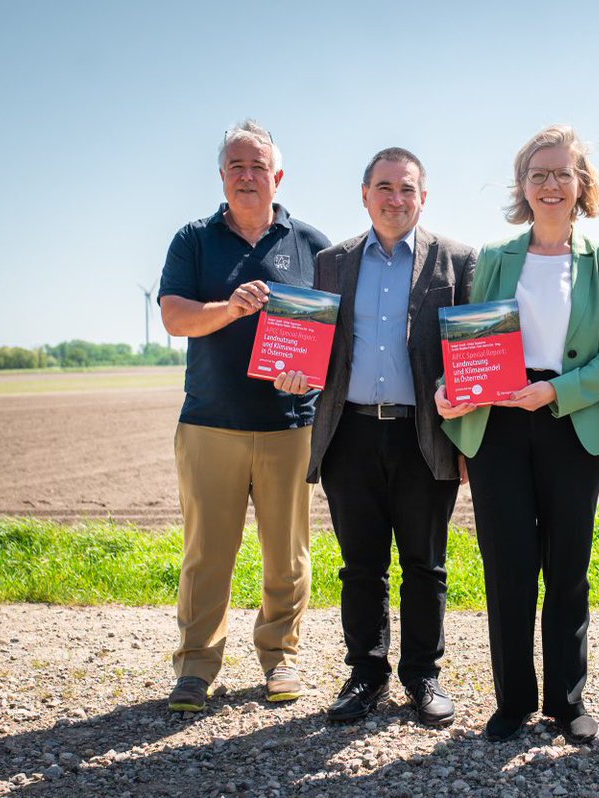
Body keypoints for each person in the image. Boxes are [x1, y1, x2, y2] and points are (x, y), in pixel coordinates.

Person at [437, 125, 599, 744]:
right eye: (538, 174)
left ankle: (567, 701)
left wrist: (554, 391)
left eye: (562, 173)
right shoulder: (494, 258)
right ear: (523, 186)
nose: (551, 185)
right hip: (498, 425)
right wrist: (454, 392)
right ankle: (513, 701)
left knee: (568, 567)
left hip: (570, 424)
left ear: (582, 185)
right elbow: (471, 340)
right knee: (508, 567)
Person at [279, 148, 476, 725]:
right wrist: (296, 374)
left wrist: (465, 433)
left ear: (424, 196)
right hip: (350, 433)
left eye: (407, 189)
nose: (396, 199)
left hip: (425, 434)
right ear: (364, 194)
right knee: (360, 566)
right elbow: (315, 351)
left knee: (425, 565)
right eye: (384, 187)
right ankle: (365, 673)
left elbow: (468, 352)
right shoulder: (334, 262)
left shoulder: (458, 260)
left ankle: (422, 675)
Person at [158, 119, 330, 712]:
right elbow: (175, 317)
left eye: (259, 166)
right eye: (237, 165)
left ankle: (281, 659)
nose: (248, 175)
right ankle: (196, 667)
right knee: (207, 553)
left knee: (288, 554)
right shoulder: (194, 240)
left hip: (289, 424)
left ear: (277, 176)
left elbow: (332, 335)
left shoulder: (313, 245)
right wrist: (229, 309)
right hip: (210, 421)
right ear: (223, 177)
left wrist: (312, 373)